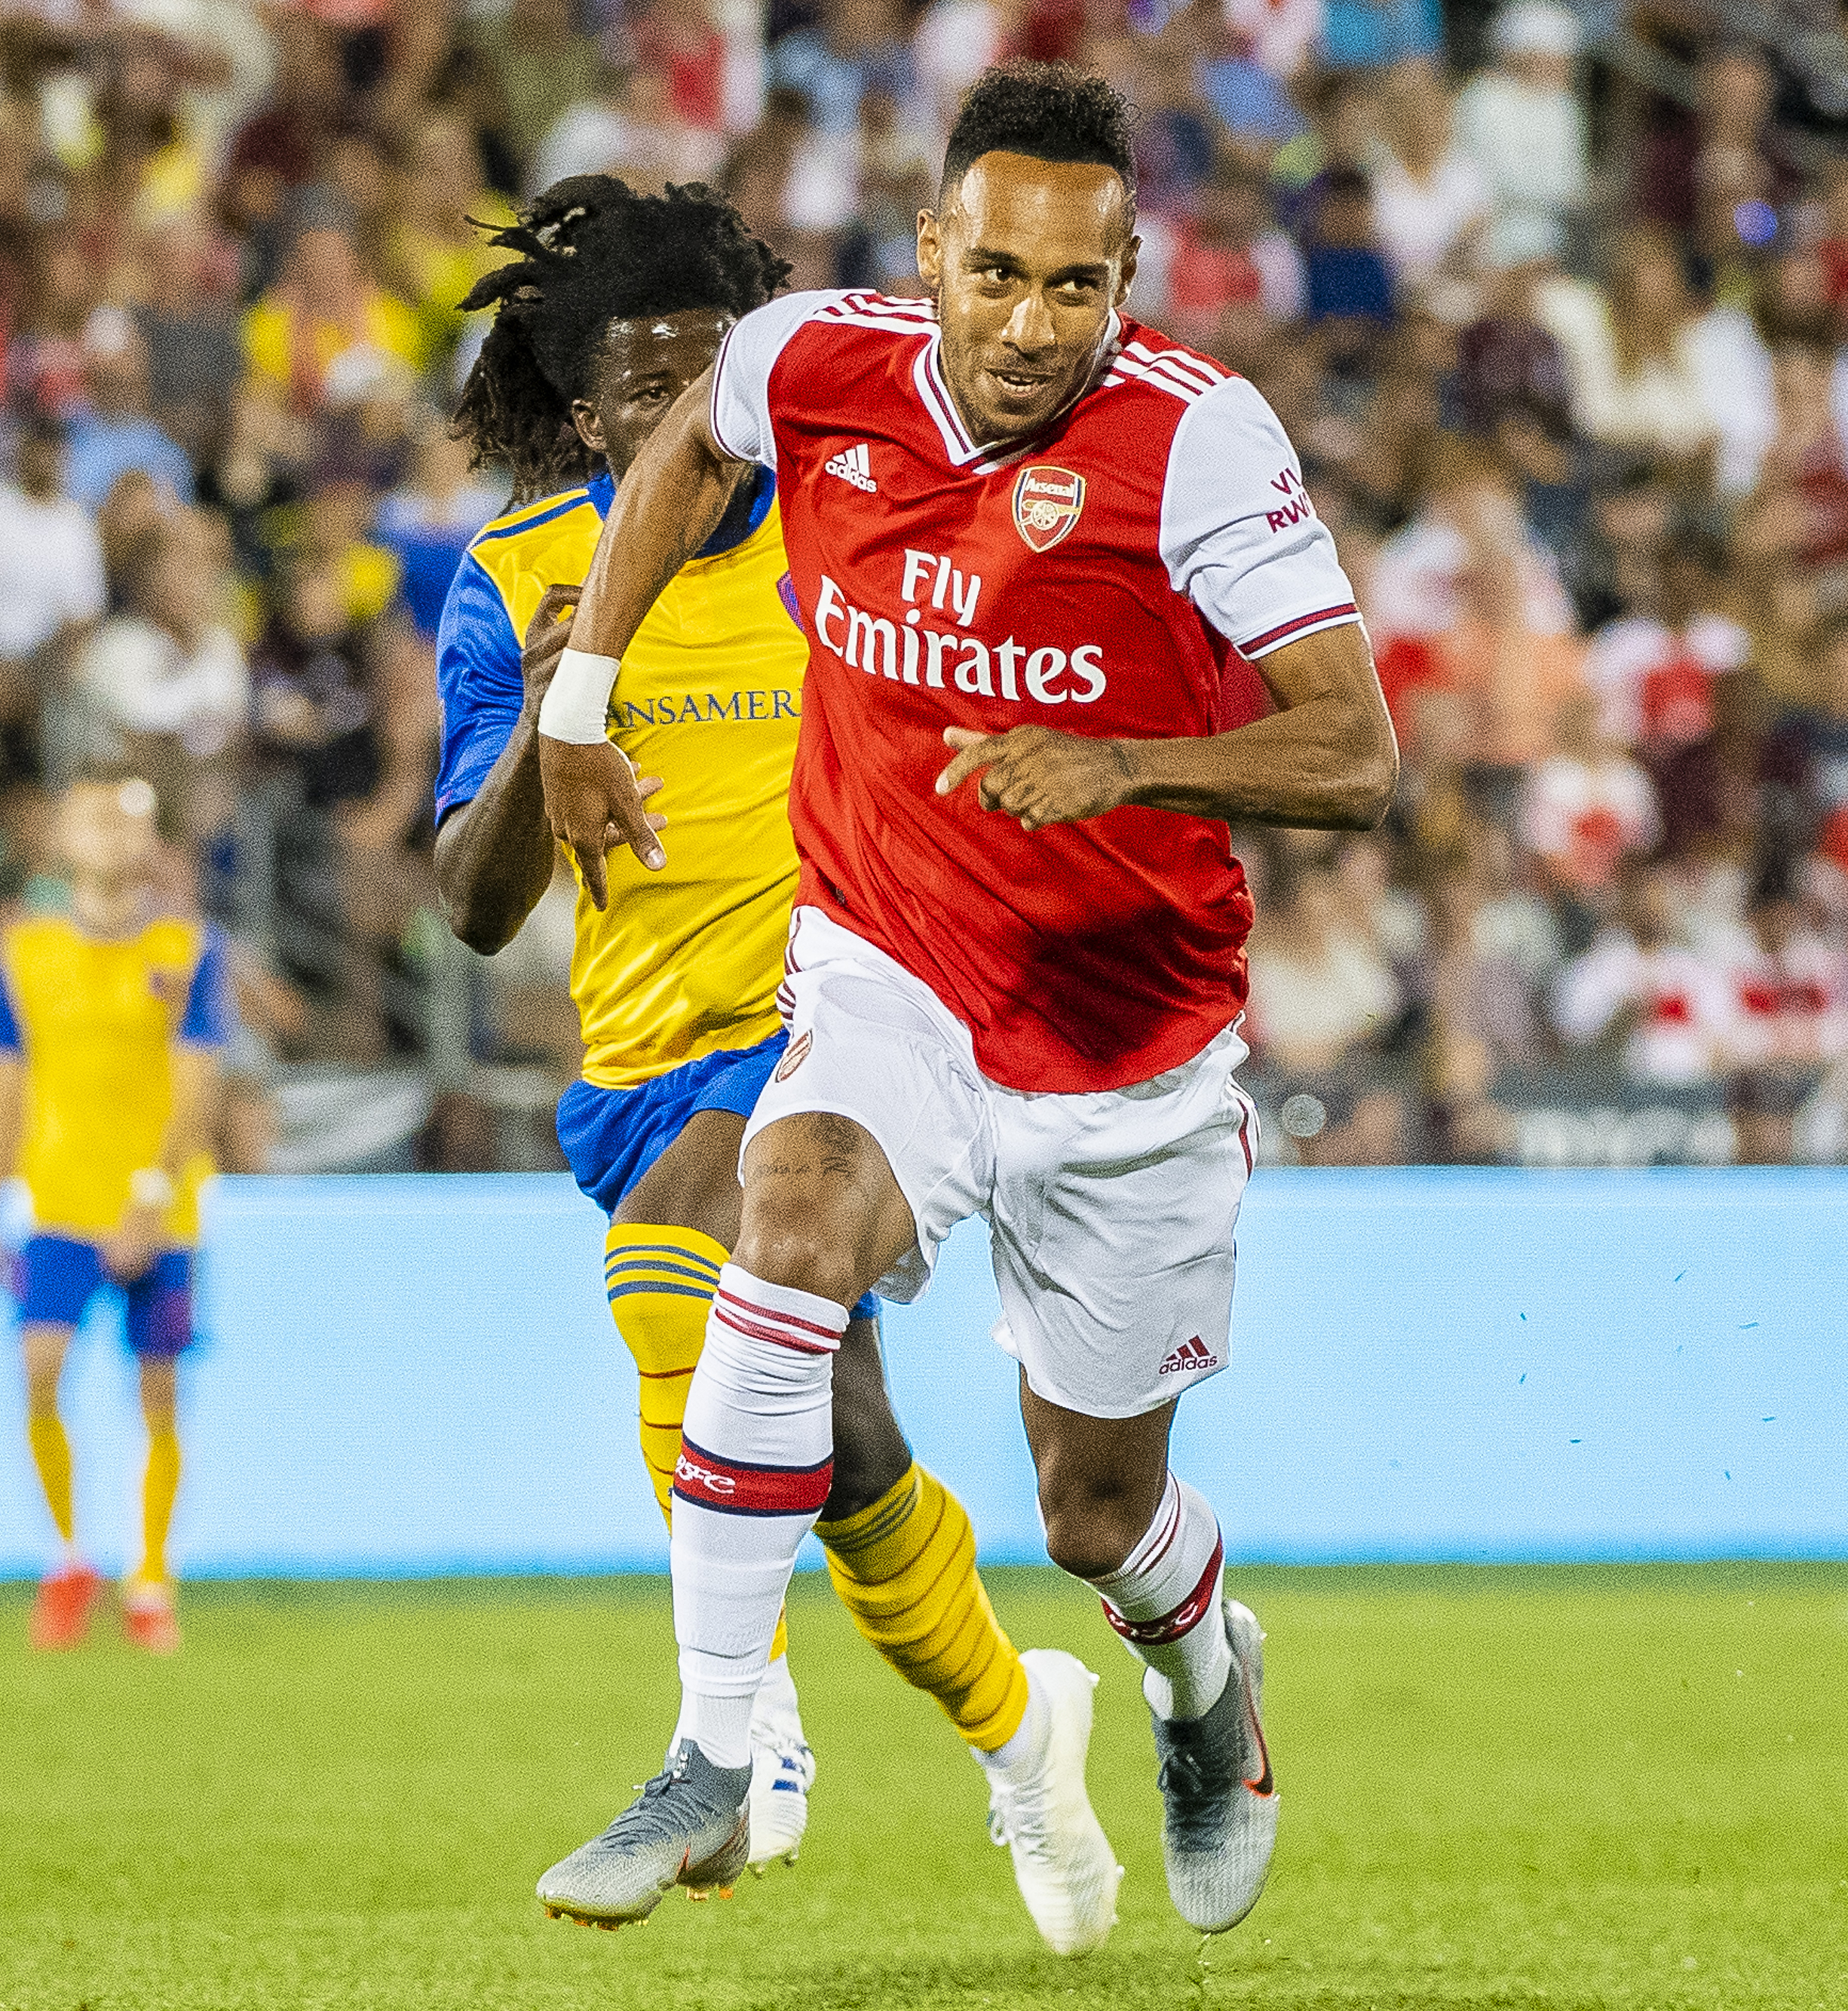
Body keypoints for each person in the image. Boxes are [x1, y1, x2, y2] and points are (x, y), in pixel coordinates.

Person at [531, 67, 1397, 1944]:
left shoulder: (1201, 445)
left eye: (1072, 289)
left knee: (1093, 1516)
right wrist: (580, 701)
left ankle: (1198, 1686)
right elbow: (687, 442)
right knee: (788, 1213)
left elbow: (1355, 752)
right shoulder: (811, 362)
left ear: (1127, 279)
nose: (1026, 326)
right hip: (889, 967)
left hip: (1122, 1053)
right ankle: (707, 1751)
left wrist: (1129, 764)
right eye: (992, 273)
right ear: (929, 249)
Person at [432, 179, 1072, 1934]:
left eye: (716, 376)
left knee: (669, 1269)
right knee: (844, 1456)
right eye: (647, 390)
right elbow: (474, 909)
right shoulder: (512, 588)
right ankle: (1020, 1734)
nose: (689, 415)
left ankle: (737, 1728)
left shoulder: (851, 533)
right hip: (648, 1058)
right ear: (584, 415)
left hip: (852, 1022)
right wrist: (547, 721)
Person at [4, 779, 226, 1655]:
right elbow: (12, 1081)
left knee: (159, 1392)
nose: (117, 835)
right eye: (98, 818)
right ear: (60, 838)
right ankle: (67, 1559)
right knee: (38, 1371)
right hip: (57, 1199)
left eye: (134, 820)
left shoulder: (187, 948)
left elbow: (199, 1084)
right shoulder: (23, 955)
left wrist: (149, 1195)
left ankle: (151, 1578)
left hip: (159, 1211)